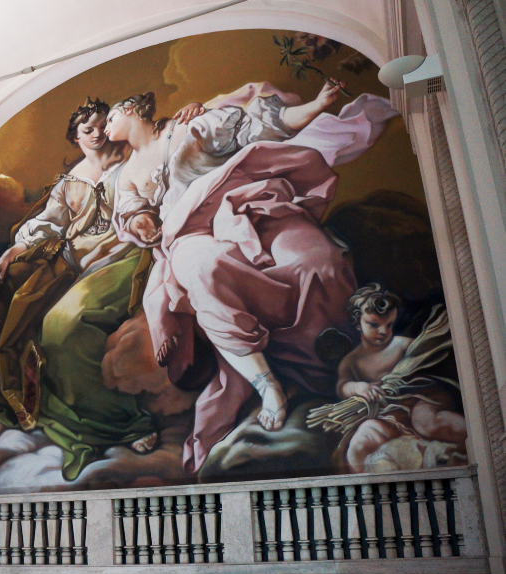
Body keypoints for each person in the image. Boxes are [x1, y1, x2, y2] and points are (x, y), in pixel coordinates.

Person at [105, 81, 399, 473]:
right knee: (206, 270)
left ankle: (340, 359)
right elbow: (132, 214)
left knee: (319, 259)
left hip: (248, 206)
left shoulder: (190, 126)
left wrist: (317, 103)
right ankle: (266, 384)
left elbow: (263, 125)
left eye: (111, 117)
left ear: (131, 109)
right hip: (187, 235)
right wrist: (141, 223)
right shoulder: (125, 174)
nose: (106, 127)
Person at [0, 98, 162, 481]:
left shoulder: (134, 160)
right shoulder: (72, 180)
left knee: (60, 329)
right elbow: (49, 223)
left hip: (122, 256)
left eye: (101, 125)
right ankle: (7, 406)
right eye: (87, 129)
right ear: (76, 137)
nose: (97, 134)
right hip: (71, 260)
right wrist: (13, 251)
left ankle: (121, 425)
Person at [336, 284, 467, 473]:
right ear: (358, 323)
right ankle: (365, 486)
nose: (383, 331)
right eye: (374, 325)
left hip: (420, 400)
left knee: (427, 423)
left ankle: (477, 440)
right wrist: (358, 387)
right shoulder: (352, 361)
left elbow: (426, 362)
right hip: (385, 414)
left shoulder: (403, 345)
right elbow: (342, 385)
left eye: (389, 325)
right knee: (360, 442)